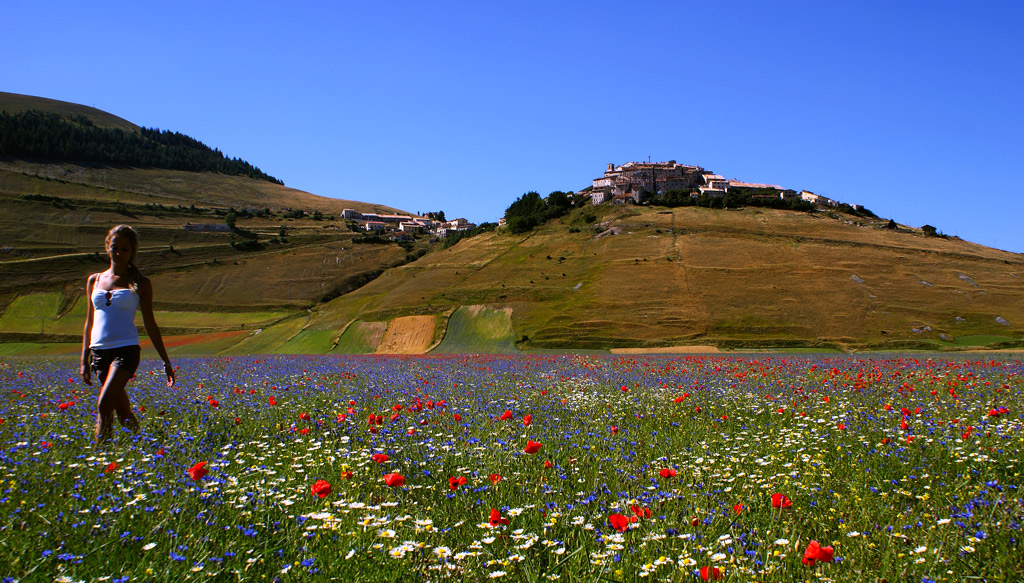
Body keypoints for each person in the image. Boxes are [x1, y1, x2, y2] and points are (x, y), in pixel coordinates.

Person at [80, 225, 176, 444]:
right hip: (99, 352)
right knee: (122, 410)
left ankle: (102, 457)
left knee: (104, 404)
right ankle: (147, 447)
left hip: (126, 350)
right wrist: (84, 359)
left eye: (125, 249)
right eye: (115, 248)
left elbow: (150, 324)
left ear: (132, 252)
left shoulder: (140, 283)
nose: (119, 253)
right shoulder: (94, 280)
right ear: (107, 247)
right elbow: (89, 322)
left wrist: (166, 361)